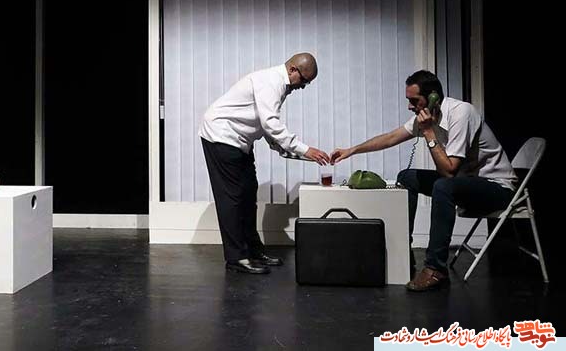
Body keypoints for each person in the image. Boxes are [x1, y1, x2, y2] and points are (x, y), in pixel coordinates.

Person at [330, 70, 516, 291]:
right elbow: (391, 137)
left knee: (443, 186)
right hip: (465, 183)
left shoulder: (461, 113)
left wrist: (428, 132)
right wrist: (352, 150)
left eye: (414, 100)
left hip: (497, 188)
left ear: (433, 97)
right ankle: (403, 251)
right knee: (406, 177)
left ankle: (435, 268)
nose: (410, 106)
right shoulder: (428, 116)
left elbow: (449, 172)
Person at [199, 53, 330, 274]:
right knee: (232, 199)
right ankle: (237, 257)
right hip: (220, 135)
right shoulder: (272, 81)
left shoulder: (280, 85)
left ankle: (253, 251)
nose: (303, 87)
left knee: (248, 193)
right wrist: (305, 149)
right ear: (293, 70)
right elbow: (270, 123)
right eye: (304, 81)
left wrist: (287, 150)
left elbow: (264, 124)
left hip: (239, 140)